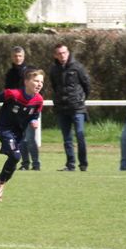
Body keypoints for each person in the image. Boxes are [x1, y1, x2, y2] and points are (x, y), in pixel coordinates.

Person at [0, 66, 44, 202]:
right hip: (5, 129)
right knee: (16, 156)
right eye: (36, 81)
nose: (39, 84)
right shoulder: (13, 94)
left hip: (19, 133)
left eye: (41, 82)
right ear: (26, 82)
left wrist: (34, 120)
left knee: (14, 158)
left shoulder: (39, 100)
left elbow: (35, 114)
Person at [49, 43, 90, 171]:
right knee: (67, 138)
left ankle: (83, 164)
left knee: (80, 135)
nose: (62, 55)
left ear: (68, 52)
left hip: (77, 107)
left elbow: (87, 85)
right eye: (59, 53)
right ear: (55, 55)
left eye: (64, 52)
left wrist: (80, 99)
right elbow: (55, 87)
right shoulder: (54, 70)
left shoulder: (78, 67)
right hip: (62, 108)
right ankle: (70, 164)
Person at [2, 46, 41, 171]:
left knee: (30, 138)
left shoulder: (31, 71)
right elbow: (7, 92)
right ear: (12, 57)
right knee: (21, 139)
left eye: (20, 56)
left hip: (29, 108)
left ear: (23, 57)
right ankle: (25, 163)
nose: (17, 58)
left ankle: (36, 164)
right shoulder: (10, 73)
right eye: (15, 56)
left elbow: (38, 87)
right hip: (16, 111)